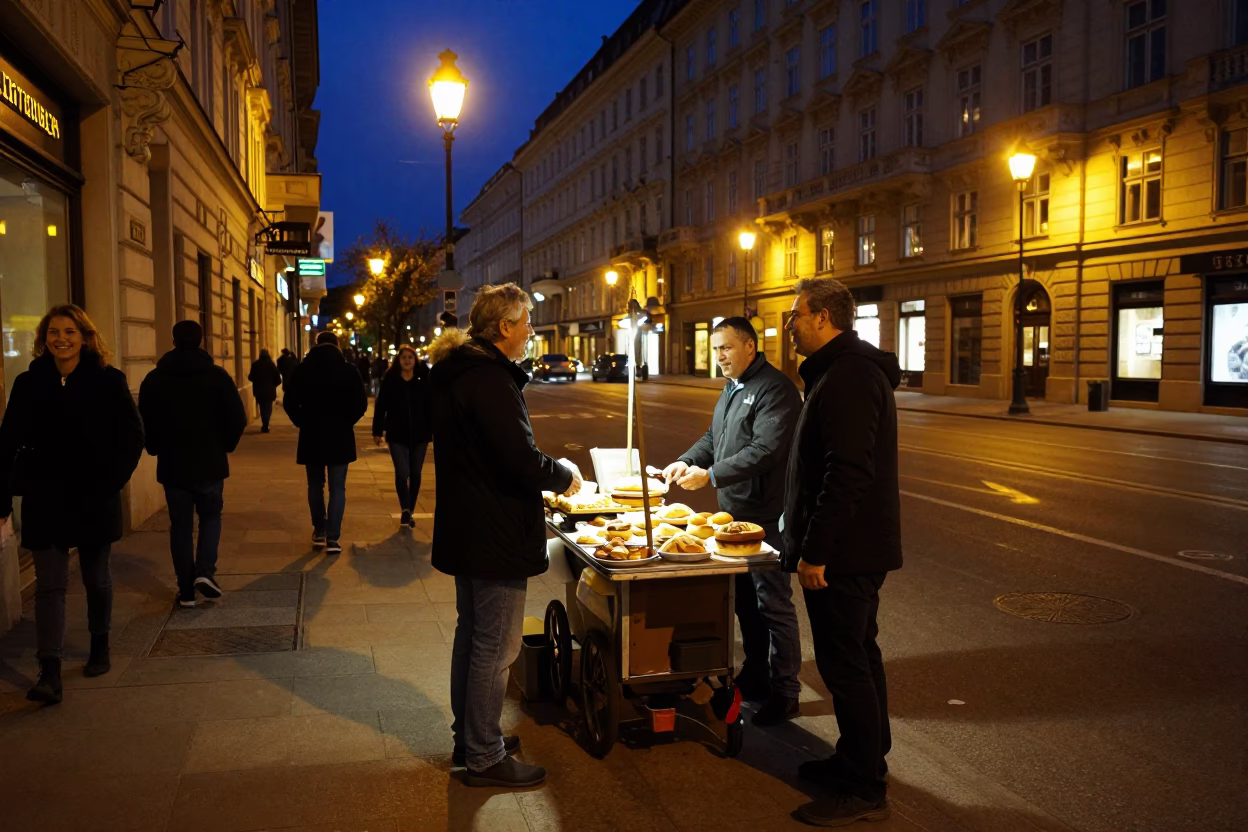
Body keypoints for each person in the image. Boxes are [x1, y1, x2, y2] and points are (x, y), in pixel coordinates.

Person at [428, 282, 580, 789]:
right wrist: (563, 476)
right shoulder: (489, 379)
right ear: (504, 328)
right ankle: (484, 756)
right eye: (527, 321)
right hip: (493, 531)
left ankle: (470, 737)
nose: (532, 329)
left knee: (473, 638)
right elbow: (517, 459)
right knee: (496, 648)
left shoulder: (463, 371)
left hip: (469, 526)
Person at [780, 278, 902, 828]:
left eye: (796, 315)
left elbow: (848, 474)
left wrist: (815, 552)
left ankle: (863, 786)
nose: (790, 324)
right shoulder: (836, 370)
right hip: (852, 548)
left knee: (845, 663)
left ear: (825, 317)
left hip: (845, 553)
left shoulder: (848, 375)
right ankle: (862, 758)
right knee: (859, 654)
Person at [662, 316, 803, 726]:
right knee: (744, 602)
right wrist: (686, 460)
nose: (718, 355)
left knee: (774, 604)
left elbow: (766, 450)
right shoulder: (732, 388)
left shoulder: (775, 390)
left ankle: (786, 690)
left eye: (725, 347)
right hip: (734, 514)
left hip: (766, 517)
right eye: (715, 347)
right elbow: (714, 439)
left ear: (750, 347)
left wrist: (710, 475)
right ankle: (756, 674)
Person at [0, 305, 144, 704]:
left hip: (93, 495)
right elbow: (7, 440)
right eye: (52, 332)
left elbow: (133, 437)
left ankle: (100, 644)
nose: (60, 339)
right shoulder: (29, 383)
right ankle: (49, 669)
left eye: (68, 331)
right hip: (45, 496)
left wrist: (110, 481)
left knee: (96, 577)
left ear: (84, 336)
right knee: (50, 585)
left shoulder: (107, 380)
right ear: (43, 339)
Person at [138, 320, 247, 609]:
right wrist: (225, 445)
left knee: (180, 526)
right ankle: (205, 572)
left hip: (173, 464)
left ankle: (186, 590)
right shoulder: (217, 376)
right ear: (201, 341)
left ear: (174, 340)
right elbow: (237, 417)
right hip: (209, 462)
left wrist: (155, 447)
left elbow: (144, 420)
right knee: (211, 517)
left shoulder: (155, 378)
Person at [283, 331, 368, 554]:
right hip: (340, 435)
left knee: (315, 485)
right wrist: (347, 421)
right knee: (338, 486)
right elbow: (360, 403)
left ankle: (319, 529)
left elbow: (289, 401)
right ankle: (333, 537)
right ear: (337, 345)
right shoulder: (349, 370)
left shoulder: (303, 369)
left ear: (316, 345)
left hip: (312, 434)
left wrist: (302, 421)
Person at [373, 344, 432, 527]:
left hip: (420, 434)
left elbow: (432, 406)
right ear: (398, 361)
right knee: (402, 472)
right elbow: (381, 406)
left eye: (410, 357)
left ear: (416, 361)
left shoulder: (423, 382)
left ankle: (409, 510)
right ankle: (405, 508)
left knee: (415, 473)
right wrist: (377, 430)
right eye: (404, 357)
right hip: (397, 434)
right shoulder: (391, 380)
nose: (407, 360)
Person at [248, 348, 282, 433]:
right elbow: (277, 378)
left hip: (259, 391)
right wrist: (274, 384)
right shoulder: (271, 365)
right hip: (270, 390)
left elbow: (251, 377)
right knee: (268, 408)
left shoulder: (255, 364)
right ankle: (266, 423)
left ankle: (264, 423)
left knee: (262, 408)